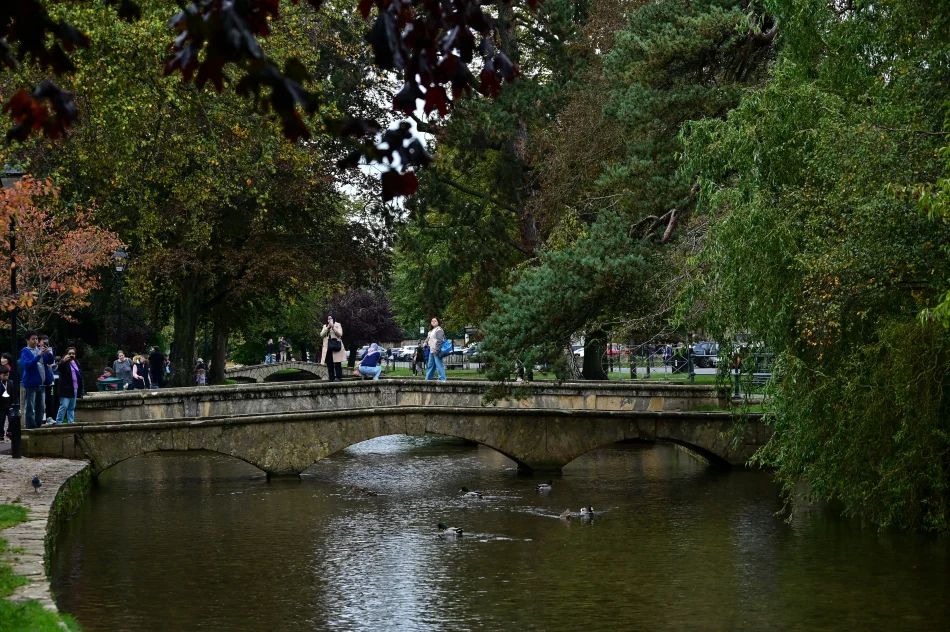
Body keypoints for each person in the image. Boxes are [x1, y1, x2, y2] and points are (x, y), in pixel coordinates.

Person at [20, 330, 53, 429]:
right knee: (30, 408)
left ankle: (37, 426)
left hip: (41, 383)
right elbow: (27, 365)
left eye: (36, 339)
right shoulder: (25, 351)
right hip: (30, 384)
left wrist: (48, 353)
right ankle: (31, 427)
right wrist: (39, 355)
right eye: (33, 339)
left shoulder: (40, 349)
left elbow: (50, 361)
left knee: (41, 408)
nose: (35, 341)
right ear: (27, 340)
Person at [53, 347, 84, 424]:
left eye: (73, 353)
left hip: (75, 386)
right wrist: (63, 361)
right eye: (69, 353)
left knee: (72, 406)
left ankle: (71, 421)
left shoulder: (76, 362)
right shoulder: (64, 362)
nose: (71, 355)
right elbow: (58, 369)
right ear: (66, 354)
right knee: (64, 406)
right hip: (66, 387)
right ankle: (59, 421)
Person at [320, 315, 345, 382]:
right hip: (328, 347)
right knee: (329, 364)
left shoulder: (338, 324)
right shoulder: (325, 326)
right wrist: (328, 327)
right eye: (328, 319)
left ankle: (339, 377)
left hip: (336, 346)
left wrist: (333, 327)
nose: (329, 320)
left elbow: (340, 334)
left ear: (333, 319)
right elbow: (321, 335)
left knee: (337, 363)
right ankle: (331, 378)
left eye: (331, 319)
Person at [425, 317, 447, 381]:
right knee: (430, 365)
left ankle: (442, 379)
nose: (433, 322)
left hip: (436, 350)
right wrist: (425, 342)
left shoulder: (439, 330)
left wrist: (437, 350)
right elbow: (428, 339)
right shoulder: (431, 331)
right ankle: (428, 379)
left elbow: (439, 340)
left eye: (435, 321)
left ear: (438, 322)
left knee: (439, 365)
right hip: (431, 350)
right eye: (432, 321)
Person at [0, 366, 12, 441]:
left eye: (7, 375)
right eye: (4, 375)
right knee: (1, 421)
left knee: (12, 418)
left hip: (9, 404)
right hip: (1, 405)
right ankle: (1, 434)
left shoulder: (10, 383)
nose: (6, 377)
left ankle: (9, 431)